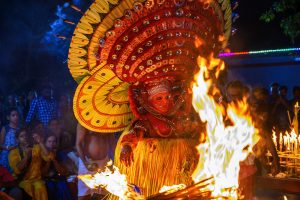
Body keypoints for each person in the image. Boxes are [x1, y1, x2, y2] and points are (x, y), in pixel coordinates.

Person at [115, 79, 201, 197]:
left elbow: (194, 131)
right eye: (159, 98)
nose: (165, 102)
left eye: (167, 97)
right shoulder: (146, 121)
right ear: (149, 102)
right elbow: (135, 133)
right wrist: (127, 146)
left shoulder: (180, 118)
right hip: (153, 173)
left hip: (178, 169)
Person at [76, 123, 115, 200]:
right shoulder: (84, 121)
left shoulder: (108, 121)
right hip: (88, 162)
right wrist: (85, 163)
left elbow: (112, 142)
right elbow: (78, 144)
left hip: (105, 162)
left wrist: (115, 160)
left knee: (103, 195)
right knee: (83, 195)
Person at [9, 128, 49, 200]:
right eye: (21, 136)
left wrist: (40, 142)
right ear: (17, 139)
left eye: (26, 135)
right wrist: (27, 156)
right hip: (23, 181)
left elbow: (48, 157)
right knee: (27, 187)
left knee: (40, 186)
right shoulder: (13, 152)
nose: (25, 137)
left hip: (37, 180)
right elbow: (17, 169)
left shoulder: (36, 147)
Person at [42, 135, 74, 200]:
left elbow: (62, 172)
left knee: (62, 186)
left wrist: (54, 159)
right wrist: (49, 160)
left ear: (56, 143)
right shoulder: (41, 154)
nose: (52, 144)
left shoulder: (60, 154)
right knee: (50, 186)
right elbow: (43, 173)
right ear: (45, 143)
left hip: (60, 179)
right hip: (47, 180)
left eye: (54, 142)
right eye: (49, 141)